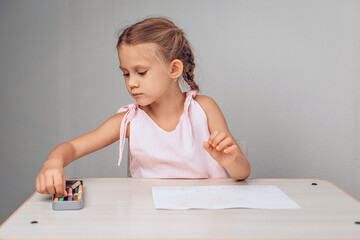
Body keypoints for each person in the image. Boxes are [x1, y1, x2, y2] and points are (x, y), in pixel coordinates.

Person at [35, 17, 251, 197]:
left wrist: (231, 162)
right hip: (149, 220)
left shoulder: (204, 109)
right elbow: (71, 148)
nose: (132, 82)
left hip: (208, 216)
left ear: (174, 69)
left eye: (141, 72)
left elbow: (243, 172)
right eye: (126, 73)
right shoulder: (129, 121)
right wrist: (52, 163)